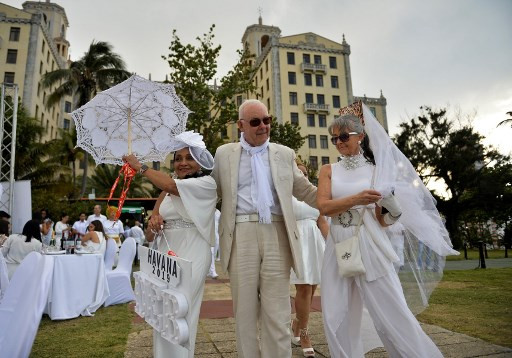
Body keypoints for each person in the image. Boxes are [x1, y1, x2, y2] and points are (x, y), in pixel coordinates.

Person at [317, 101, 458, 358]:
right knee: (336, 311)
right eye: (334, 138)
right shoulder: (328, 170)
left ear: (360, 136)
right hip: (338, 245)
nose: (338, 142)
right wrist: (356, 200)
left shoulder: (377, 172)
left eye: (343, 137)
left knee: (392, 309)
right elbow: (324, 207)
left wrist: (391, 208)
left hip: (371, 244)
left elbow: (384, 221)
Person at [211, 99, 317, 357]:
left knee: (278, 310)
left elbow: (306, 192)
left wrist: (344, 199)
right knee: (244, 312)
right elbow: (208, 193)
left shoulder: (284, 154)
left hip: (277, 234)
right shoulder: (224, 153)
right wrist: (162, 209)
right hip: (240, 233)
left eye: (267, 120)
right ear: (241, 125)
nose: (263, 126)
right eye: (256, 122)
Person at [123, 130, 216, 358]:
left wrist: (140, 167)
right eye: (178, 159)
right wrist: (153, 222)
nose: (183, 163)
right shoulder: (165, 190)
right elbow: (149, 236)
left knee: (180, 310)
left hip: (192, 253)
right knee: (162, 312)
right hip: (164, 256)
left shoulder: (206, 184)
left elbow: (175, 188)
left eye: (188, 158)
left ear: (199, 160)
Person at [290, 162, 329, 358]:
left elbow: (321, 221)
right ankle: (304, 334)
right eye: (299, 174)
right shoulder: (286, 195)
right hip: (297, 243)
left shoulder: (314, 195)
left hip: (314, 242)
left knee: (312, 288)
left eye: (305, 173)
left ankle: (296, 325)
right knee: (304, 288)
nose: (303, 176)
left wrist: (333, 244)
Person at [207, 210, 220, 279]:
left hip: (216, 235)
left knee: (214, 254)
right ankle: (213, 271)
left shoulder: (218, 212)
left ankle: (209, 271)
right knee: (211, 252)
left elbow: (220, 223)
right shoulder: (207, 209)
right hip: (209, 234)